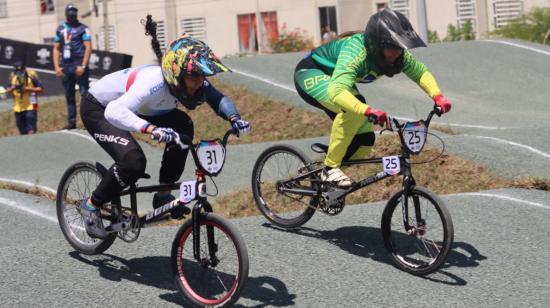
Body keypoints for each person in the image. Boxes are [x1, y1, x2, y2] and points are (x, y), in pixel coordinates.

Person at [78, 15, 251, 238]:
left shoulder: (189, 81)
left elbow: (218, 99)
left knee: (183, 127)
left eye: (202, 77)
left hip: (140, 108)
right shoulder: (153, 83)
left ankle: (163, 194)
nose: (200, 83)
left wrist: (235, 118)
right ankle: (91, 205)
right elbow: (115, 111)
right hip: (100, 109)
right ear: (176, 74)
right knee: (133, 162)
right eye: (194, 77)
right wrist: (150, 129)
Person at [294, 8, 452, 187]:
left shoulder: (398, 54)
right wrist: (367, 110)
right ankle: (330, 169)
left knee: (365, 140)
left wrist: (438, 96)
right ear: (377, 45)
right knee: (354, 110)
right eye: (392, 48)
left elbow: (420, 72)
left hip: (336, 79)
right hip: (311, 73)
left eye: (400, 47)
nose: (398, 52)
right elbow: (337, 92)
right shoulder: (356, 51)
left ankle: (325, 178)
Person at [53, 3, 92, 130]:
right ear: (66, 13)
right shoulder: (60, 29)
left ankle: (89, 122)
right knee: (69, 95)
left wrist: (84, 65)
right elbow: (56, 48)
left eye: (74, 12)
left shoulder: (83, 28)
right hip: (66, 67)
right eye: (70, 12)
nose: (72, 14)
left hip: (79, 67)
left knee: (84, 95)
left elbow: (88, 47)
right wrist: (57, 67)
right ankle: (72, 122)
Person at [6, 60, 43, 135]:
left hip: (32, 104)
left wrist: (28, 89)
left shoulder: (32, 74)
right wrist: (13, 88)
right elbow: (8, 91)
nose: (19, 74)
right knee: (22, 132)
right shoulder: (12, 75)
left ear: (25, 68)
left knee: (31, 130)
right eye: (17, 72)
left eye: (21, 72)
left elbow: (41, 89)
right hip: (18, 107)